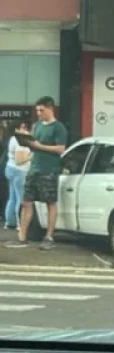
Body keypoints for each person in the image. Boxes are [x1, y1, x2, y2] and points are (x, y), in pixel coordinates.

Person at [8, 97, 69, 250]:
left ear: (50, 109)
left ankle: (49, 236)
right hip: (34, 167)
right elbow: (34, 146)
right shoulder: (36, 126)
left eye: (42, 110)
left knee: (50, 202)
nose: (39, 113)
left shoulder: (58, 127)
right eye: (37, 111)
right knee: (26, 201)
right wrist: (26, 141)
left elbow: (60, 149)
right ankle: (22, 237)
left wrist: (39, 146)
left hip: (49, 169)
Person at [4, 120, 32, 230]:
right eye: (23, 127)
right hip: (20, 171)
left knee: (12, 197)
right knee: (21, 198)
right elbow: (20, 160)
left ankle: (10, 222)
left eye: (26, 127)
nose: (25, 129)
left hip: (10, 169)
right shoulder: (20, 141)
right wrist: (32, 156)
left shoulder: (12, 139)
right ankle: (20, 224)